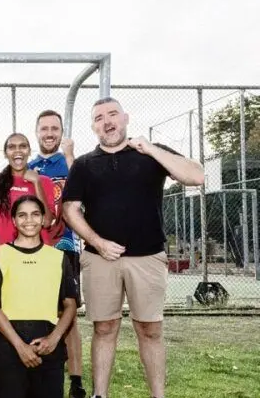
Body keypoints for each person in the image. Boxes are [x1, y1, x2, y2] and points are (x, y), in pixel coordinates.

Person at [62, 97, 205, 398]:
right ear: (94, 127)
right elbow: (70, 209)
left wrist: (152, 148)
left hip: (148, 257)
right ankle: (100, 395)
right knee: (104, 329)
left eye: (113, 114)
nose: (107, 121)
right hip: (100, 259)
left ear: (125, 118)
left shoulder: (150, 153)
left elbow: (197, 176)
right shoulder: (85, 164)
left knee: (150, 330)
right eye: (100, 117)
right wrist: (98, 243)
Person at [0, 195, 79, 398]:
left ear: (43, 219)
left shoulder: (58, 258)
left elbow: (70, 304)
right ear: (14, 221)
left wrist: (54, 338)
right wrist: (20, 346)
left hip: (48, 344)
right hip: (9, 343)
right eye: (22, 215)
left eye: (35, 214)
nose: (28, 220)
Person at [28, 109, 86, 397]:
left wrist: (72, 156)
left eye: (55, 128)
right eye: (44, 129)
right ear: (36, 132)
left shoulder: (72, 162)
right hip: (36, 249)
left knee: (68, 313)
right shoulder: (29, 166)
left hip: (65, 246)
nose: (49, 133)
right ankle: (36, 369)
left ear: (61, 132)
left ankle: (76, 381)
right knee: (36, 312)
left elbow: (85, 194)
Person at [0, 133, 58, 245]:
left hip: (36, 252)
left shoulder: (44, 181)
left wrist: (36, 183)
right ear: (5, 154)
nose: (18, 150)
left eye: (23, 146)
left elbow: (46, 222)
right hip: (4, 252)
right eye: (12, 147)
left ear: (30, 151)